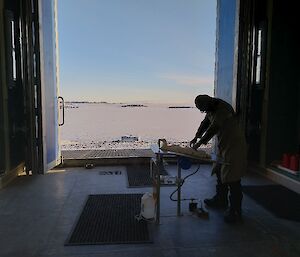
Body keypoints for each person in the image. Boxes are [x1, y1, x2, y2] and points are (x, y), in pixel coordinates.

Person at [190, 95, 247, 223]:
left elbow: (214, 127)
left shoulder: (222, 109)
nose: (204, 112)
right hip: (224, 144)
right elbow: (205, 123)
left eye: (204, 109)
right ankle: (220, 200)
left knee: (233, 178)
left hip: (234, 145)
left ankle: (236, 212)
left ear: (208, 103)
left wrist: (200, 143)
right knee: (219, 171)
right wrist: (196, 136)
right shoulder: (211, 107)